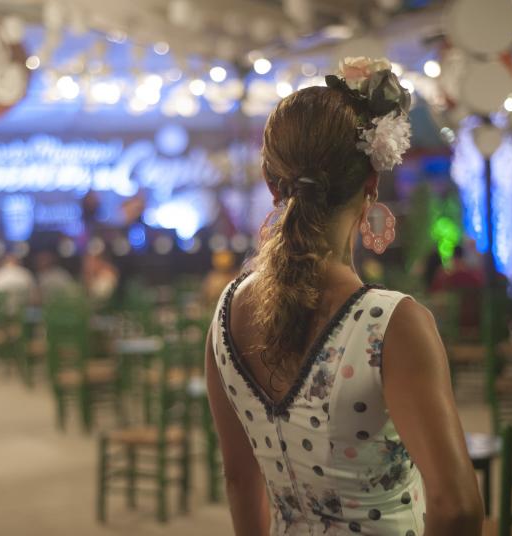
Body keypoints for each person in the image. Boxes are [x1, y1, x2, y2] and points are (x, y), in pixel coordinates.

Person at [205, 58, 482, 536]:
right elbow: (456, 507)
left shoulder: (227, 312)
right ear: (371, 185)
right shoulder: (392, 324)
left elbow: (238, 478)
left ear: (271, 184)